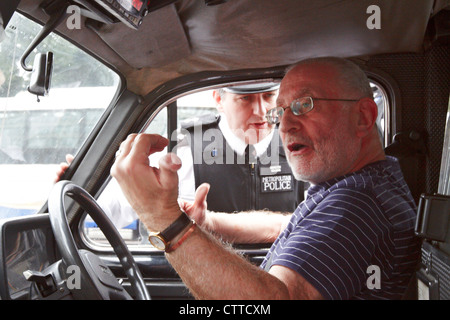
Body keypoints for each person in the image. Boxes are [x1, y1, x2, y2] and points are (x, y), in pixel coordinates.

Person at [111, 57, 421, 299]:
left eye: (304, 105)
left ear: (364, 117)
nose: (282, 125)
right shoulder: (359, 187)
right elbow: (287, 226)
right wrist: (208, 224)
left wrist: (164, 219)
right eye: (280, 112)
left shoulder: (355, 203)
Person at [55, 84, 304, 227]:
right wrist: (72, 195)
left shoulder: (298, 146)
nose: (260, 110)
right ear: (219, 99)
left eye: (269, 96)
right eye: (245, 99)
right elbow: (116, 208)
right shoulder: (186, 148)